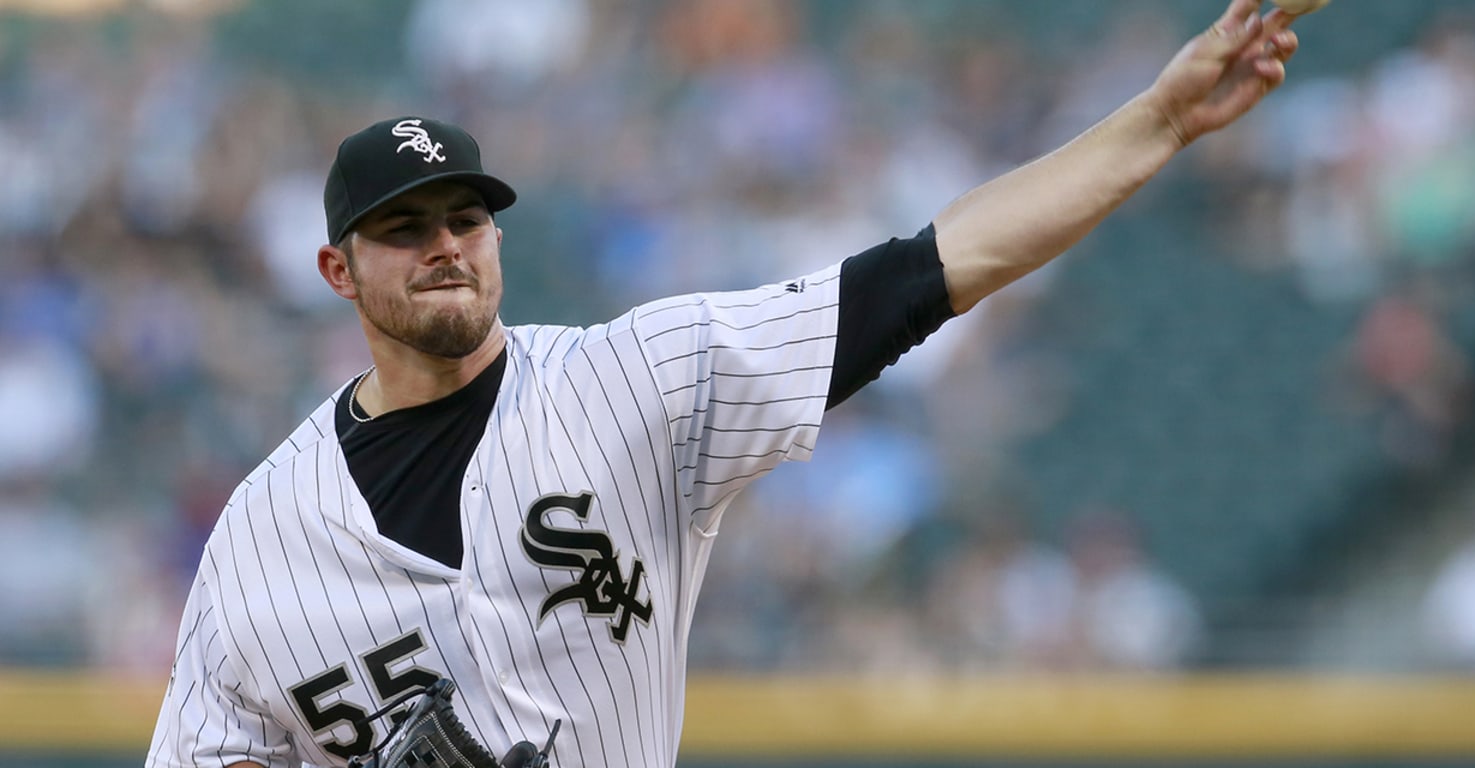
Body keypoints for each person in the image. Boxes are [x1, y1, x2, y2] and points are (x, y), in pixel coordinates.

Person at [146, 2, 1300, 766]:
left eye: (465, 217)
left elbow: (933, 269)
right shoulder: (262, 537)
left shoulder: (635, 382)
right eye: (405, 229)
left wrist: (1156, 125)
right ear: (338, 270)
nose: (446, 243)